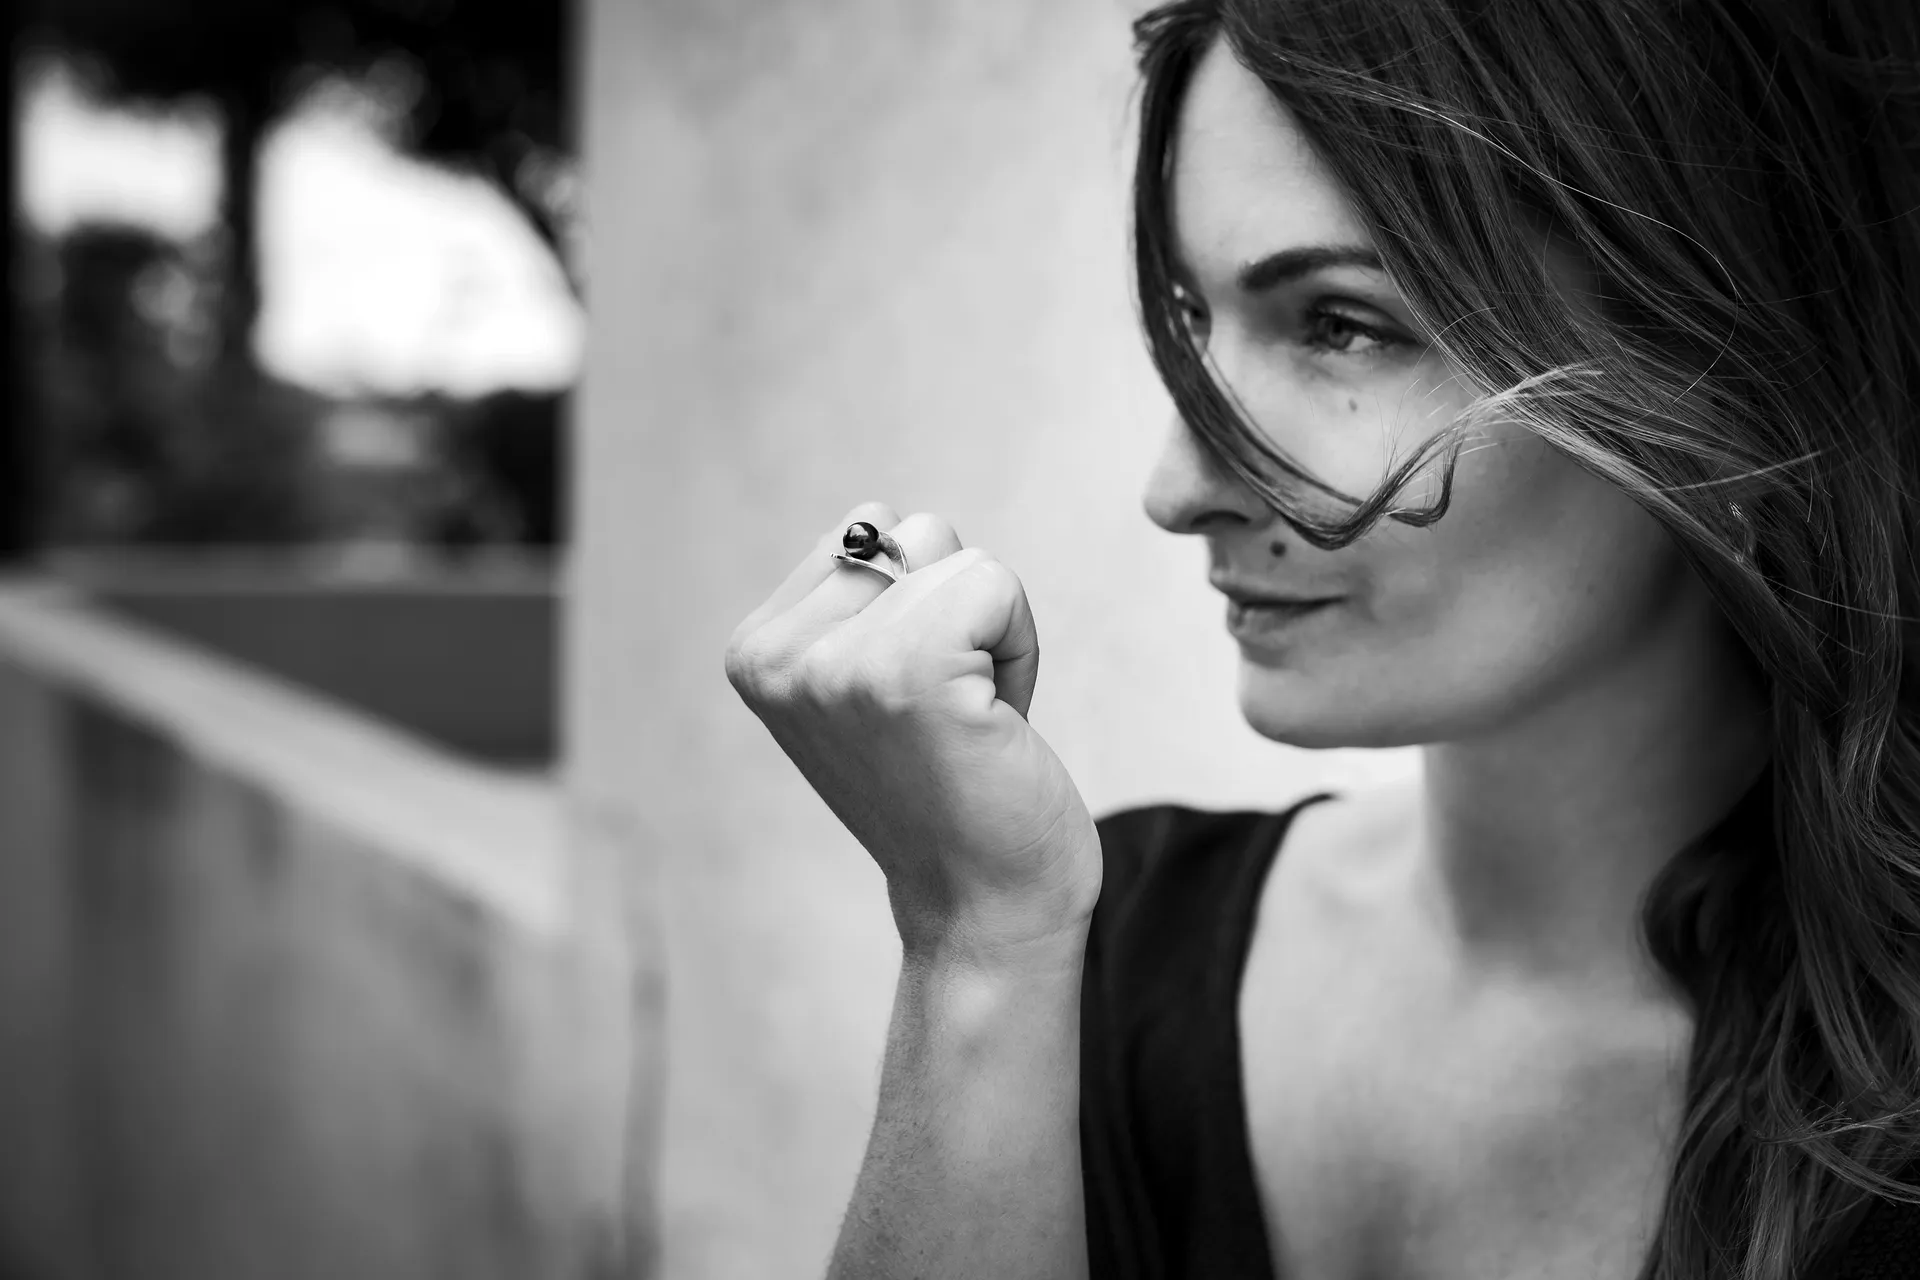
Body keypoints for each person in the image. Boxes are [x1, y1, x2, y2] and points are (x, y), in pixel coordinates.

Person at [724, 1, 1920, 1276]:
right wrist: (977, 945)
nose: (1180, 486)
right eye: (1195, 320)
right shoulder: (1104, 954)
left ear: (1731, 374)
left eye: (1342, 324)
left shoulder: (1883, 1102)